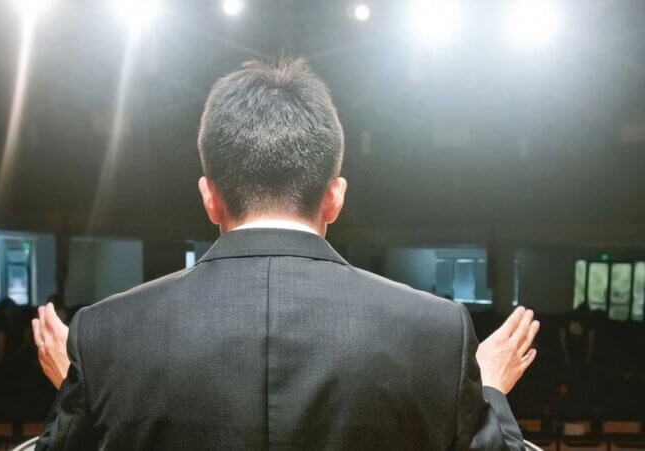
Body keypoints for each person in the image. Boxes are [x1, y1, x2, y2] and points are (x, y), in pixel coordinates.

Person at [33, 58, 539, 450]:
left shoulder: (104, 335)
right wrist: (487, 390)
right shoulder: (437, 334)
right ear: (335, 197)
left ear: (208, 197)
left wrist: (89, 389)